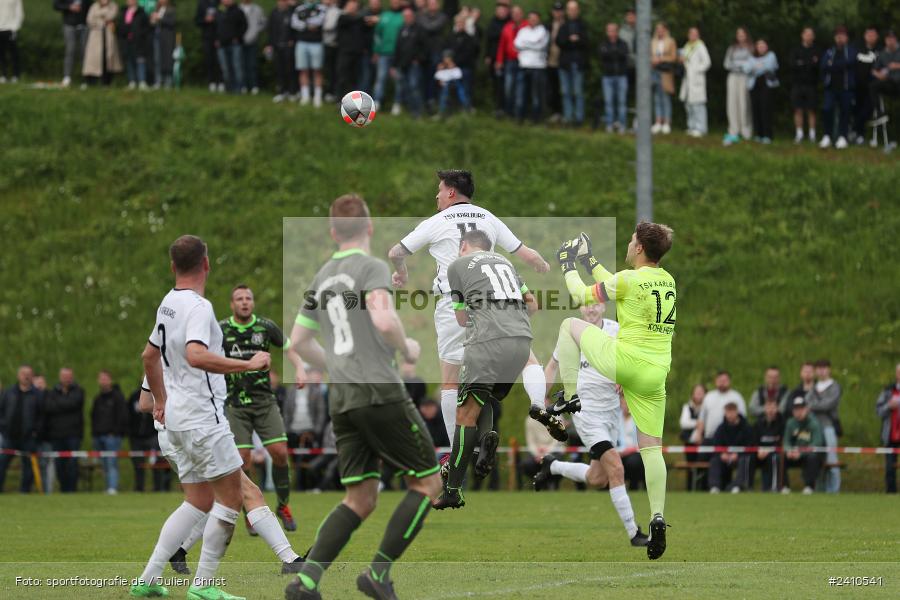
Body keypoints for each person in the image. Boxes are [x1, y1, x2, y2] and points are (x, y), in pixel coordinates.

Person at [285, 194, 441, 600]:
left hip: (343, 400)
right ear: (370, 228)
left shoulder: (321, 276)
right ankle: (378, 574)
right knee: (429, 482)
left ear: (333, 232)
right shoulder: (371, 267)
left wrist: (335, 364)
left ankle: (305, 582)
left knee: (360, 497)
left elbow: (298, 341)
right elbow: (385, 319)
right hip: (378, 389)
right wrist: (408, 349)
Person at [130, 235, 271, 599]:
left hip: (177, 420)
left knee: (197, 501)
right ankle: (204, 586)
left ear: (172, 267)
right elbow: (195, 355)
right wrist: (248, 363)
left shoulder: (168, 303)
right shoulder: (199, 307)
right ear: (207, 264)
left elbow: (149, 356)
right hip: (204, 421)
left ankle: (147, 579)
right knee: (231, 499)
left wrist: (161, 400)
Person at [388, 169, 550, 449]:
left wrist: (401, 273)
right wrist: (542, 265)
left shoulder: (436, 221)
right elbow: (526, 253)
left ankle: (456, 452)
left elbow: (396, 252)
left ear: (451, 192)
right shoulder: (488, 217)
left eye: (439, 190)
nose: (436, 195)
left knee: (450, 382)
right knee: (527, 360)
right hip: (494, 298)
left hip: (454, 301)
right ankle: (538, 405)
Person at [554, 222, 677, 560]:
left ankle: (568, 395)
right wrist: (590, 260)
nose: (628, 243)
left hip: (624, 364)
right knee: (652, 450)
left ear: (638, 248)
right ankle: (657, 517)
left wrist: (568, 264)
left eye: (631, 240)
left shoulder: (628, 280)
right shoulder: (666, 280)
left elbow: (582, 295)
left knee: (568, 325)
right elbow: (620, 284)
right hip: (655, 374)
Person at [134, 377, 305, 590]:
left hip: (172, 438)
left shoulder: (160, 350)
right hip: (199, 434)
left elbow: (145, 403)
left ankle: (170, 559)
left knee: (204, 501)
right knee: (245, 493)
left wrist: (169, 408)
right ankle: (290, 560)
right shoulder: (195, 350)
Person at [434, 229, 539, 509]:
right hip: (521, 342)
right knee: (486, 398)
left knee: (465, 414)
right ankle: (486, 438)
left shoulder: (456, 266)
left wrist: (485, 319)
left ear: (464, 245)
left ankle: (453, 490)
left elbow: (459, 318)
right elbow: (533, 304)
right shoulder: (506, 263)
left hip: (487, 343)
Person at [537, 301, 649, 547]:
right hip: (586, 412)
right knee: (617, 469)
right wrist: (540, 397)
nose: (591, 308)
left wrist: (626, 378)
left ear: (604, 307)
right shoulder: (571, 335)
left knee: (598, 477)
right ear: (580, 309)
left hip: (611, 413)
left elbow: (635, 360)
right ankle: (634, 533)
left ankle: (553, 466)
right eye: (586, 304)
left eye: (595, 304)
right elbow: (553, 365)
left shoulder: (616, 330)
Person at [221, 285, 297, 532]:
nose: (244, 302)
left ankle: (283, 505)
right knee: (243, 461)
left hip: (264, 402)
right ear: (232, 304)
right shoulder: (221, 329)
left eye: (248, 298)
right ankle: (251, 511)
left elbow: (289, 348)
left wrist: (301, 369)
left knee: (280, 453)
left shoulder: (265, 327)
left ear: (253, 303)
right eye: (239, 298)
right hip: (235, 404)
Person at [0, 365, 42, 493]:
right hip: (9, 436)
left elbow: (42, 416)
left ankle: (24, 491)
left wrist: (36, 432)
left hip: (28, 438)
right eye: (23, 373)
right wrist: (3, 426)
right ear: (18, 376)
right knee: (1, 464)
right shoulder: (8, 392)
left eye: (29, 373)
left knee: (28, 467)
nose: (26, 376)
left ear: (32, 376)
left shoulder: (38, 395)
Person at [43, 367, 84, 493]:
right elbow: (49, 407)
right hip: (56, 435)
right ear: (60, 377)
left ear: (72, 377)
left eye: (68, 376)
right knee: (59, 465)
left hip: (73, 435)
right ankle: (63, 489)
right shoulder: (52, 392)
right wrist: (65, 403)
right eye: (64, 376)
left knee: (72, 464)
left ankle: (72, 490)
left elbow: (73, 403)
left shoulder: (79, 391)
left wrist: (59, 404)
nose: (66, 379)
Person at [806, 359, 841, 493]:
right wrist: (814, 405)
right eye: (819, 368)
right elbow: (806, 401)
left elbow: (829, 404)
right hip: (815, 429)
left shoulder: (835, 386)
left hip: (828, 427)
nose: (821, 371)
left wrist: (813, 406)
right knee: (817, 459)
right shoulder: (814, 387)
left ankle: (834, 490)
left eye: (824, 368)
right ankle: (820, 489)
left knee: (832, 459)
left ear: (829, 369)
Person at [819, 25, 857, 149]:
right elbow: (824, 65)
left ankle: (843, 136)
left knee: (845, 112)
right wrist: (837, 65)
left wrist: (833, 64)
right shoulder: (830, 51)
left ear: (846, 37)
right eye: (838, 36)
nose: (840, 38)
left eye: (842, 35)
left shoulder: (851, 51)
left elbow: (850, 62)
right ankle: (827, 136)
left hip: (846, 88)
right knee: (827, 109)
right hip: (831, 87)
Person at [91, 370, 128, 495]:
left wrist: (115, 432)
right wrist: (95, 434)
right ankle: (108, 487)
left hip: (112, 436)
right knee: (104, 464)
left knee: (112, 463)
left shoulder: (117, 397)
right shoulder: (98, 398)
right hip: (99, 436)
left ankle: (112, 488)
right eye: (101, 379)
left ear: (110, 380)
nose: (103, 381)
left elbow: (122, 416)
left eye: (105, 378)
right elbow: (93, 417)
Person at [128, 381, 169, 492]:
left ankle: (158, 487)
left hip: (154, 435)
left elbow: (144, 405)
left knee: (157, 463)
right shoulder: (134, 396)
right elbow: (142, 406)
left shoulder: (164, 388)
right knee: (138, 464)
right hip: (138, 436)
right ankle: (139, 487)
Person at [707, 402, 753, 493]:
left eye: (732, 412)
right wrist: (721, 454)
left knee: (744, 460)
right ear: (725, 413)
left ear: (737, 412)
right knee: (715, 460)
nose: (730, 415)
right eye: (728, 412)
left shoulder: (746, 427)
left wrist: (738, 454)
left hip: (741, 456)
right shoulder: (721, 428)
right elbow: (716, 444)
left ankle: (737, 486)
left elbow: (750, 445)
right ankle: (715, 487)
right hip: (725, 457)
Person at [555, 1, 587, 127]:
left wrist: (574, 41)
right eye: (570, 9)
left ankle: (579, 118)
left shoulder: (583, 25)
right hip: (565, 64)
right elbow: (560, 42)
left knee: (578, 92)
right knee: (566, 92)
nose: (572, 12)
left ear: (578, 10)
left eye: (574, 9)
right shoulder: (563, 26)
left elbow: (585, 42)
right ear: (567, 11)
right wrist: (571, 40)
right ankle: (568, 117)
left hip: (578, 64)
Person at [782, 396, 824, 495]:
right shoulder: (790, 423)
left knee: (812, 457)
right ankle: (784, 486)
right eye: (796, 409)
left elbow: (817, 443)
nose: (799, 412)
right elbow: (786, 441)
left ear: (806, 409)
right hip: (794, 454)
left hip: (807, 455)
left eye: (801, 408)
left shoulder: (814, 423)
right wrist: (789, 451)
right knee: (780, 457)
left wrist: (800, 453)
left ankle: (809, 486)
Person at [692, 371, 747, 444]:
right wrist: (698, 434)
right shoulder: (709, 396)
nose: (722, 383)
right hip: (709, 438)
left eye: (724, 380)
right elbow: (702, 418)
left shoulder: (736, 397)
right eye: (720, 380)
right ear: (716, 381)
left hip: (730, 439)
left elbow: (743, 419)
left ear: (729, 381)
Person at [513, 10, 548, 124]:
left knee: (536, 96)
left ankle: (536, 119)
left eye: (535, 18)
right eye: (530, 18)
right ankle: (520, 118)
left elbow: (540, 46)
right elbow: (517, 44)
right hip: (523, 66)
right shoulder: (523, 31)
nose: (532, 20)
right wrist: (532, 44)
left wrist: (525, 45)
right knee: (521, 94)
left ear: (538, 19)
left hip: (538, 67)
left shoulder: (543, 31)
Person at [392, 6, 426, 117]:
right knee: (406, 88)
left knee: (414, 87)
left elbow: (424, 47)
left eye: (409, 16)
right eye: (405, 16)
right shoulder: (401, 29)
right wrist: (394, 65)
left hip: (413, 64)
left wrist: (418, 59)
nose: (407, 18)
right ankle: (412, 111)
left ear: (413, 17)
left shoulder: (419, 29)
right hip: (402, 64)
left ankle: (419, 112)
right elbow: (397, 48)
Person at [291, 0, 326, 106]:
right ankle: (305, 97)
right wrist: (307, 25)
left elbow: (319, 21)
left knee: (317, 70)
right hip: (302, 43)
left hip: (317, 43)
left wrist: (304, 23)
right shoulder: (299, 8)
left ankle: (317, 97)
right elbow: (294, 23)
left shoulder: (321, 8)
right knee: (303, 70)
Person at [723, 27, 753, 145]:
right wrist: (737, 66)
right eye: (738, 34)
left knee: (744, 103)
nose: (740, 36)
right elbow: (726, 63)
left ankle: (745, 130)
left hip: (745, 77)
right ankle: (733, 130)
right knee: (732, 103)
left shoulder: (751, 48)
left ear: (746, 35)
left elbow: (752, 63)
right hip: (733, 77)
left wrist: (742, 66)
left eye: (742, 34)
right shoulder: (732, 48)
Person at [679, 26, 711, 137]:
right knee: (688, 104)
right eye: (690, 33)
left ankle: (701, 128)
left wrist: (696, 70)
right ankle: (691, 126)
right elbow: (685, 61)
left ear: (698, 35)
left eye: (695, 34)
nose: (692, 35)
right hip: (687, 79)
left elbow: (707, 62)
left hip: (696, 79)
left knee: (698, 104)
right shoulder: (687, 46)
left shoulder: (700, 46)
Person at [372, 0, 403, 111]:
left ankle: (397, 103)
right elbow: (377, 34)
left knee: (398, 79)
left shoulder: (403, 16)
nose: (395, 2)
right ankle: (377, 101)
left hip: (399, 54)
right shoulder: (384, 16)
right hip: (384, 53)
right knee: (381, 78)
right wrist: (376, 50)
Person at [870, 30, 900, 147]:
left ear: (896, 39)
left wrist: (897, 66)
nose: (890, 41)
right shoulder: (882, 54)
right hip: (890, 83)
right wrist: (879, 75)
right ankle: (880, 113)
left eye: (892, 38)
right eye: (888, 39)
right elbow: (874, 70)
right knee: (873, 86)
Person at [789, 27, 819, 143]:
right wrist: (809, 63)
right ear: (802, 35)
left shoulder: (816, 50)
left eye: (811, 34)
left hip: (811, 85)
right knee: (798, 109)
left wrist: (802, 63)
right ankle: (799, 133)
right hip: (797, 84)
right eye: (806, 34)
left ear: (813, 37)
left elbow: (817, 66)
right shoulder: (795, 50)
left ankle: (812, 134)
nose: (808, 36)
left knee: (811, 110)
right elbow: (793, 65)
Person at [443, 8, 479, 104]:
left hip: (464, 67)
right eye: (458, 23)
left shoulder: (469, 38)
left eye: (461, 23)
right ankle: (446, 109)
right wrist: (448, 62)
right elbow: (446, 50)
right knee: (447, 89)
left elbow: (468, 53)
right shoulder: (451, 37)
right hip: (451, 67)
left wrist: (454, 63)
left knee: (465, 89)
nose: (459, 25)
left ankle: (466, 108)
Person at [746, 38, 778, 143]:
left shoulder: (771, 55)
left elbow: (769, 67)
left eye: (763, 45)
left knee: (766, 109)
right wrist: (759, 66)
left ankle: (767, 135)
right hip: (754, 86)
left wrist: (755, 67)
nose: (761, 48)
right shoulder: (751, 57)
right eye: (759, 46)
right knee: (756, 110)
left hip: (767, 85)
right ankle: (758, 134)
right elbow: (746, 68)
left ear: (767, 47)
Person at [417, 0, 448, 110]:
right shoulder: (422, 16)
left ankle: (434, 101)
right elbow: (428, 26)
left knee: (435, 78)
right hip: (424, 52)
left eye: (434, 3)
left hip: (436, 52)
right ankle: (424, 102)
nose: (432, 5)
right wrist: (428, 25)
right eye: (430, 3)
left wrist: (427, 24)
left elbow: (431, 27)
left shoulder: (442, 16)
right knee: (423, 78)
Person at [82, 0, 122, 86]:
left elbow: (111, 15)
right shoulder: (94, 6)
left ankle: (107, 81)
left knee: (108, 58)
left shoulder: (113, 5)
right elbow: (89, 20)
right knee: (93, 59)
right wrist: (102, 20)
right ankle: (91, 81)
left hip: (108, 35)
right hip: (95, 37)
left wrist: (98, 16)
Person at [598, 21, 629, 132]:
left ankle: (622, 124)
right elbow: (603, 56)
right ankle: (609, 124)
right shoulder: (603, 44)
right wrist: (614, 53)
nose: (612, 33)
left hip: (621, 76)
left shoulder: (623, 44)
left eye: (614, 30)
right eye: (609, 30)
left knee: (621, 102)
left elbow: (623, 55)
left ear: (617, 31)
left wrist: (612, 53)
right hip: (608, 76)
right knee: (609, 102)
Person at [875, 362, 900, 493]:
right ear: (896, 374)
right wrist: (889, 406)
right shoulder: (888, 391)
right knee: (890, 467)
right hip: (890, 434)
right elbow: (878, 411)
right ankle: (891, 493)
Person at [495, 4, 524, 117]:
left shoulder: (526, 26)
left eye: (518, 13)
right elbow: (502, 46)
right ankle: (508, 111)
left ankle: (518, 114)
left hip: (522, 62)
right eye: (514, 14)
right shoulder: (507, 27)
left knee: (519, 89)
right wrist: (499, 60)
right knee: (508, 88)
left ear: (522, 14)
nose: (516, 16)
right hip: (509, 61)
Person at [55, 0, 92, 87]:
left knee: (85, 52)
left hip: (84, 25)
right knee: (70, 50)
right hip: (69, 25)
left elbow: (90, 6)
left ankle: (86, 78)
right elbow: (56, 5)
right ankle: (67, 77)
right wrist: (69, 7)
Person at [854, 26, 879, 144]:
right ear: (865, 36)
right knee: (856, 109)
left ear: (877, 37)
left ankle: (856, 129)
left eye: (873, 34)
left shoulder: (880, 51)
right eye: (868, 34)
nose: (871, 37)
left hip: (873, 87)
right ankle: (859, 134)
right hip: (857, 86)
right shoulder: (857, 49)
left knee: (868, 109)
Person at [215, 0, 248, 94]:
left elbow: (244, 26)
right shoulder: (219, 11)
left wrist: (237, 37)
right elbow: (215, 26)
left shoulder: (238, 11)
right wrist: (216, 39)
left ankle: (239, 88)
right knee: (225, 68)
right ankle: (228, 88)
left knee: (237, 66)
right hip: (221, 44)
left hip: (235, 44)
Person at [650, 22, 676, 134]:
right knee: (656, 97)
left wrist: (661, 59)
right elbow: (649, 55)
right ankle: (658, 121)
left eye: (661, 29)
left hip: (665, 72)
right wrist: (653, 60)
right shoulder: (653, 41)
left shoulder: (671, 41)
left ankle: (666, 122)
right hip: (654, 71)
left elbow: (673, 57)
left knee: (665, 97)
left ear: (665, 30)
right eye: (658, 29)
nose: (659, 31)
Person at [267, 0, 296, 102]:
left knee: (290, 69)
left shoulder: (292, 12)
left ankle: (292, 92)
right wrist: (269, 44)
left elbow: (296, 28)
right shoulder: (273, 13)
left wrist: (293, 40)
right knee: (279, 70)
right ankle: (281, 92)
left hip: (288, 46)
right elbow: (270, 30)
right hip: (276, 46)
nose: (282, 3)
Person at [485, 1, 510, 118]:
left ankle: (506, 107)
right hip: (494, 57)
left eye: (503, 10)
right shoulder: (492, 23)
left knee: (507, 84)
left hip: (507, 58)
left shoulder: (510, 23)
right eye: (499, 10)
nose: (501, 12)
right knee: (497, 84)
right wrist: (488, 56)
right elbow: (488, 40)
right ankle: (498, 107)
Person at [753, 398, 784, 492]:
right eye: (768, 407)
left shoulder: (782, 422)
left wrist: (768, 450)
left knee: (774, 458)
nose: (770, 410)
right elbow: (753, 440)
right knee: (747, 457)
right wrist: (758, 450)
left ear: (777, 408)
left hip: (774, 452)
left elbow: (781, 441)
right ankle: (746, 486)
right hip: (759, 452)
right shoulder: (758, 423)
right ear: (764, 409)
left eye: (773, 407)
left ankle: (774, 487)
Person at [117, 0, 150, 90]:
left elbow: (146, 27)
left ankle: (142, 81)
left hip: (139, 42)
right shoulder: (123, 12)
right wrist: (126, 30)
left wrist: (140, 35)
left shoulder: (141, 13)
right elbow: (120, 27)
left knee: (140, 61)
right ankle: (132, 81)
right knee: (129, 61)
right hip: (127, 41)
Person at [195, 0, 223, 92]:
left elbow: (225, 19)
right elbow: (197, 20)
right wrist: (205, 20)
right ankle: (211, 82)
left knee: (219, 61)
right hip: (206, 37)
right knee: (209, 60)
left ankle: (221, 82)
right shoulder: (202, 3)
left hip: (219, 37)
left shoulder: (220, 3)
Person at [239, 0, 265, 94]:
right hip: (240, 41)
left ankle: (254, 86)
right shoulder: (238, 9)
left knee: (252, 64)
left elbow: (263, 23)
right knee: (242, 64)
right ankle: (243, 86)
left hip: (253, 40)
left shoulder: (258, 9)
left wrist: (255, 31)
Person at [149, 0, 176, 88]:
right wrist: (152, 20)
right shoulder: (156, 10)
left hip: (167, 38)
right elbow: (153, 24)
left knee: (167, 59)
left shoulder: (171, 10)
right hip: (157, 38)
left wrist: (160, 18)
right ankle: (158, 80)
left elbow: (172, 22)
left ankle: (168, 81)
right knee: (157, 60)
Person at [434, 50, 469, 116]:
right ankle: (441, 112)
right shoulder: (441, 67)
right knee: (444, 94)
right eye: (445, 58)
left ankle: (466, 108)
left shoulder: (455, 67)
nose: (446, 59)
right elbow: (438, 78)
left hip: (454, 85)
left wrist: (452, 67)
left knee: (461, 92)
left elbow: (458, 76)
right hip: (445, 86)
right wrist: (440, 71)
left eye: (447, 58)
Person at [545, 2, 564, 122]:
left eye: (560, 10)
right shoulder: (548, 25)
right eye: (555, 10)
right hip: (550, 61)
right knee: (553, 88)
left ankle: (564, 113)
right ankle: (554, 112)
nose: (557, 13)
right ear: (552, 12)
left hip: (563, 61)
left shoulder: (566, 25)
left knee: (564, 89)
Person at [320, 0, 340, 102]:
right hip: (321, 43)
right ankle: (324, 92)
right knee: (322, 70)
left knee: (331, 70)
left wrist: (316, 24)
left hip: (331, 45)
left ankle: (331, 92)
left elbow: (329, 26)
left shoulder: (335, 11)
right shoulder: (321, 9)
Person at [0, 0, 23, 83]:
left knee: (13, 54)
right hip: (0, 28)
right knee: (2, 54)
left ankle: (15, 75)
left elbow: (19, 13)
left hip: (11, 28)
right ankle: (3, 75)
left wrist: (15, 27)